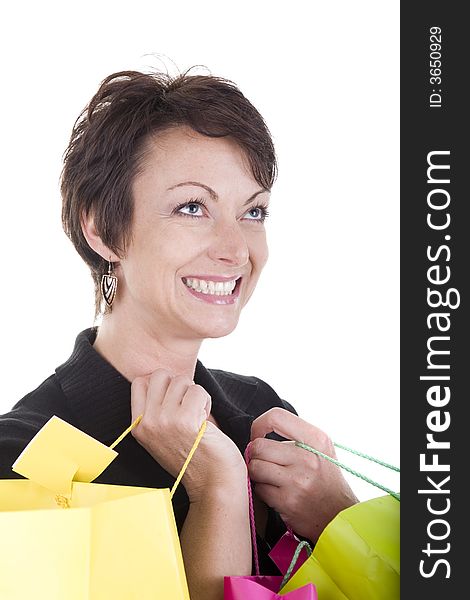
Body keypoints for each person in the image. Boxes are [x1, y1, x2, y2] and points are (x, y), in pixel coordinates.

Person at [0, 68, 357, 600]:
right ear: (101, 228)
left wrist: (340, 518)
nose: (237, 250)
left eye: (253, 211)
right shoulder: (21, 457)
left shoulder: (263, 415)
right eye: (193, 208)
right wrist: (219, 491)